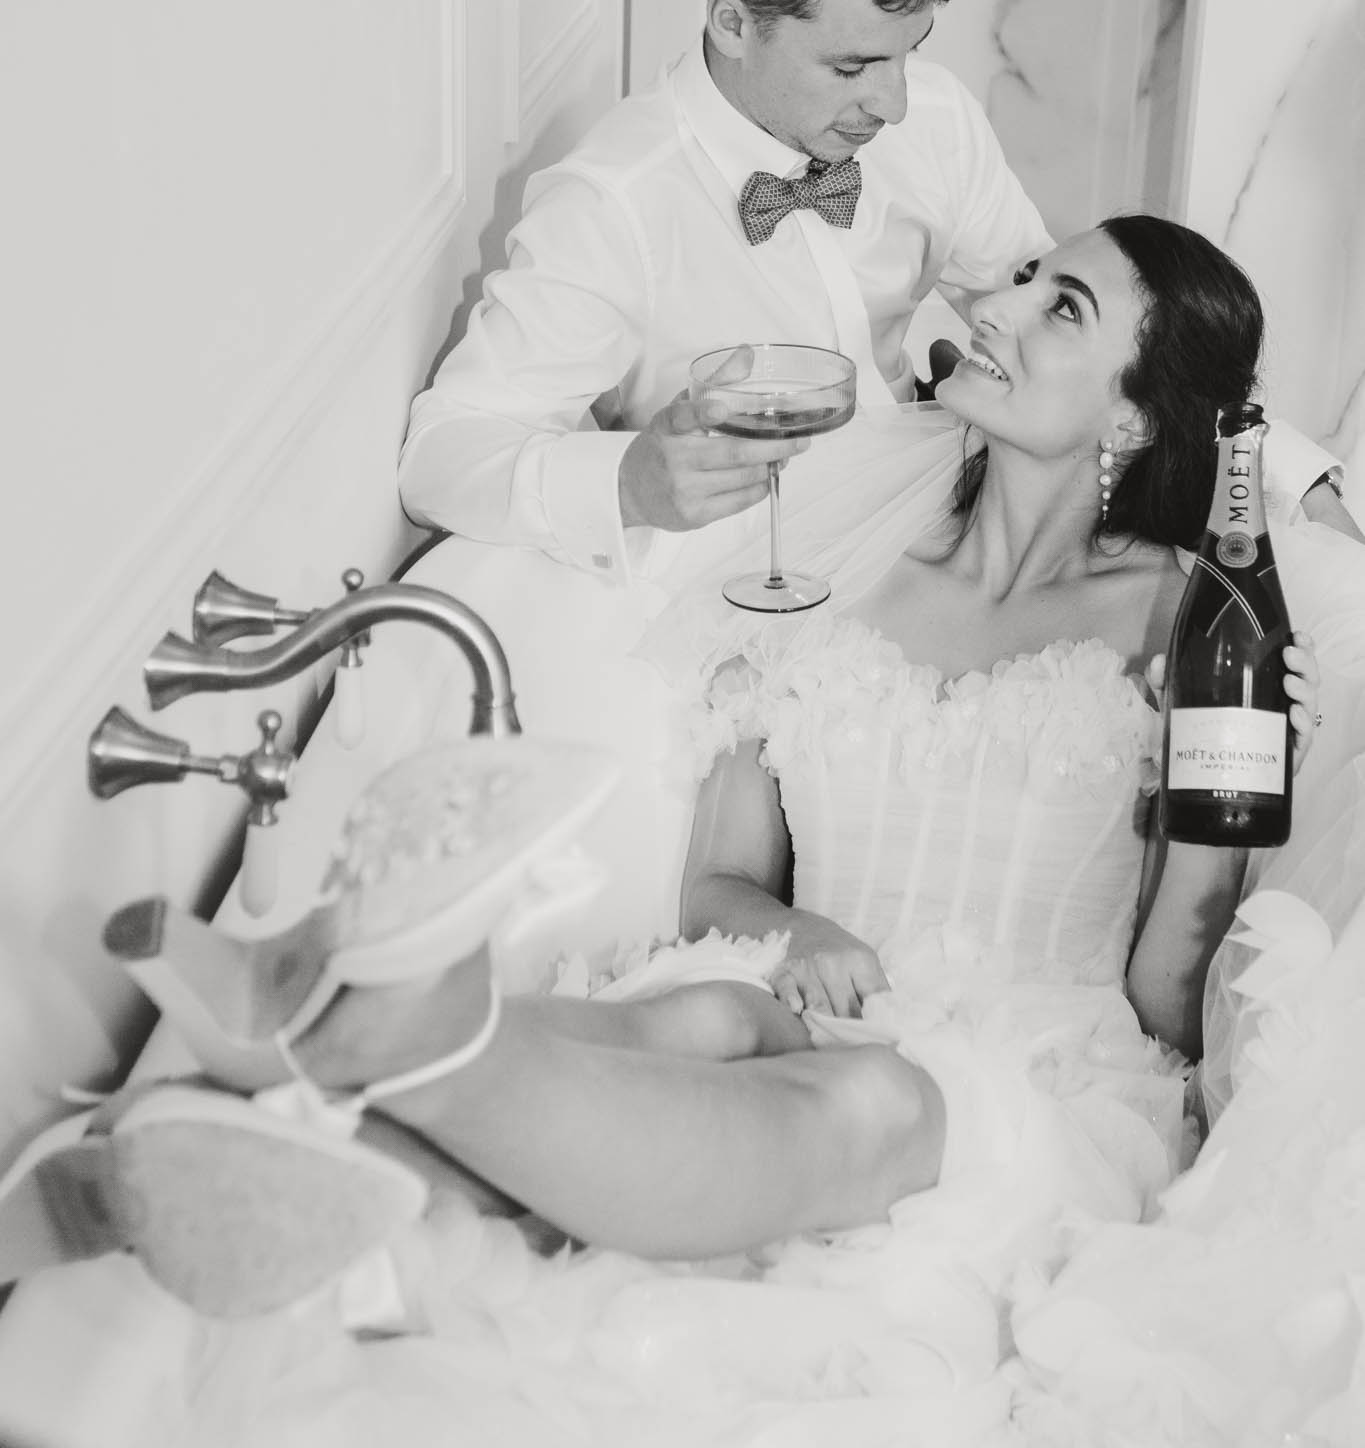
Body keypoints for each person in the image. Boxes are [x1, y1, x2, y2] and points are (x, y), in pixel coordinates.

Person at [8, 218, 1357, 1444]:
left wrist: (1235, 803)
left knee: (870, 1100)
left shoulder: (1192, 623)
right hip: (794, 983)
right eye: (1020, 277)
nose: (999, 309)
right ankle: (218, 1139)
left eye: (1062, 308)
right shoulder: (832, 566)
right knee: (695, 1025)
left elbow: (1162, 998)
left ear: (1132, 414)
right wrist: (796, 929)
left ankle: (354, 1039)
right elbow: (724, 876)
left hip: (1039, 1066)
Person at [397, 0, 1352, 587]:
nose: (894, 103)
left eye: (909, 55)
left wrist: (1289, 477)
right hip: (753, 586)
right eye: (853, 66)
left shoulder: (930, 116)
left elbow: (1080, 332)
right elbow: (443, 454)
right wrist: (633, 483)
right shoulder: (614, 205)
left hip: (943, 542)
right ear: (732, 21)